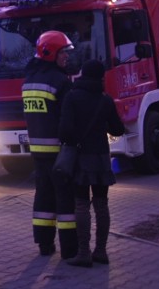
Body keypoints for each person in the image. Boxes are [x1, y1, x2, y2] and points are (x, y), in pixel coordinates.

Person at [59, 59, 126, 267]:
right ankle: (101, 251)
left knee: (81, 205)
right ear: (100, 78)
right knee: (101, 204)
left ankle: (83, 253)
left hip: (80, 158)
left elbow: (65, 131)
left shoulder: (71, 97)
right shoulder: (105, 100)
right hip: (101, 159)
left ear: (82, 74)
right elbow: (118, 130)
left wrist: (74, 140)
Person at [22, 30, 78, 259]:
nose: (66, 57)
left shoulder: (29, 81)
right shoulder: (60, 81)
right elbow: (68, 117)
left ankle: (44, 244)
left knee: (43, 196)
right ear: (50, 53)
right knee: (65, 199)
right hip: (59, 151)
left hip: (38, 151)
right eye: (63, 53)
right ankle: (69, 248)